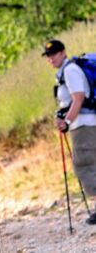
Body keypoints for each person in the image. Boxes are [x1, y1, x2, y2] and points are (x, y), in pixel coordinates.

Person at [42, 39, 96, 225]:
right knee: (90, 164)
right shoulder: (66, 71)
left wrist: (66, 121)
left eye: (54, 54)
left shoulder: (70, 70)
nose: (51, 58)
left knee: (83, 164)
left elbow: (79, 98)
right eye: (48, 56)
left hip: (83, 124)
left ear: (63, 52)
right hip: (84, 123)